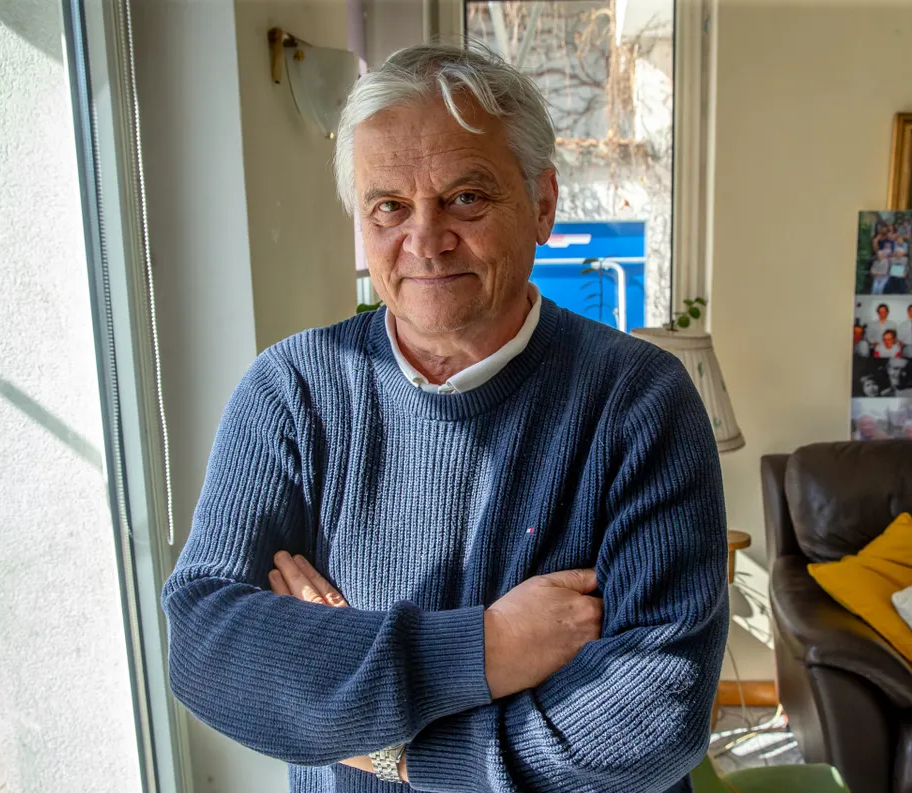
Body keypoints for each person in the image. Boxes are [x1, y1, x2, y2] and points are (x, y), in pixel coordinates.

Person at [160, 44, 727, 793]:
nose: (424, 241)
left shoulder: (640, 400)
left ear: (543, 205)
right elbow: (207, 646)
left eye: (465, 197)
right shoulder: (292, 390)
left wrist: (380, 733)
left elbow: (654, 715)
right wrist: (488, 648)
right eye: (389, 207)